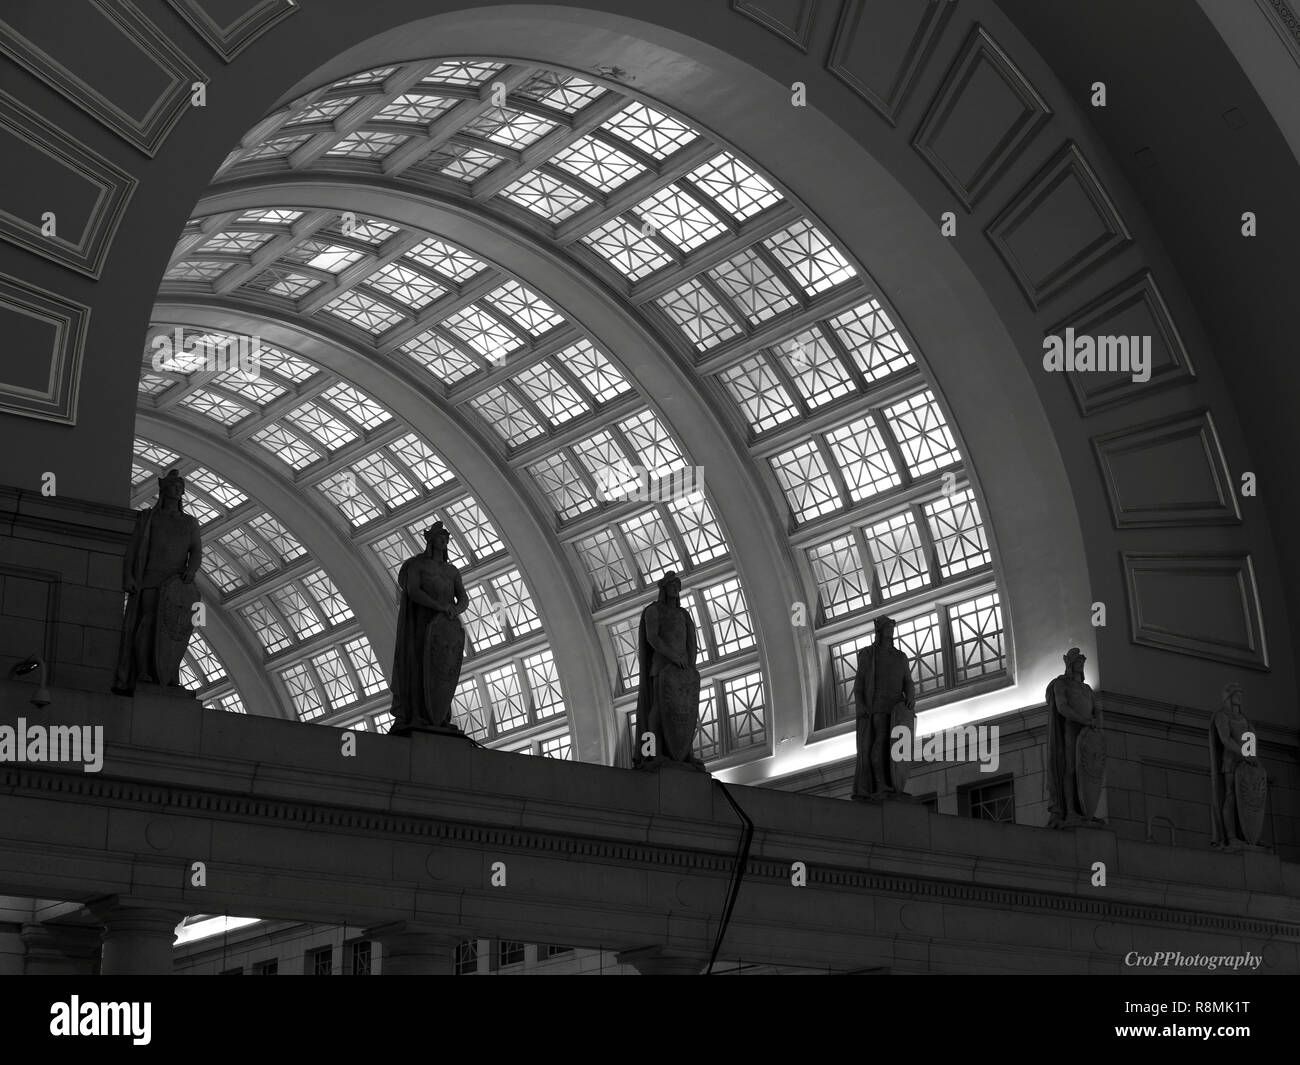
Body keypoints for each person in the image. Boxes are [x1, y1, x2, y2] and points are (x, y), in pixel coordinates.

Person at [112, 469, 202, 695]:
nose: (178, 490)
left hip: (176, 584)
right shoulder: (149, 518)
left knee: (175, 630)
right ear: (163, 489)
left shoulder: (190, 523)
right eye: (173, 486)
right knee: (148, 623)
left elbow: (196, 552)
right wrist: (128, 576)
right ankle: (143, 670)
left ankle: (169, 672)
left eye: (180, 487)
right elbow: (133, 551)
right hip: (151, 578)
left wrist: (191, 570)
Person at [390, 522, 469, 734]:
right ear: (430, 540)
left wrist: (455, 609)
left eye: (446, 537)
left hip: (443, 629)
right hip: (421, 624)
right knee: (418, 667)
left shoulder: (452, 571)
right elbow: (413, 590)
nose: (444, 540)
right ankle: (417, 715)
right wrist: (439, 606)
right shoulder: (417, 565)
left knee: (440, 670)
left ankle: (439, 716)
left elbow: (463, 598)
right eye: (439, 536)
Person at [633, 571, 702, 767]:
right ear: (664, 588)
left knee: (684, 710)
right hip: (662, 667)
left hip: (682, 671)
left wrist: (689, 666)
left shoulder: (683, 614)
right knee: (657, 710)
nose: (675, 589)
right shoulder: (654, 611)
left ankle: (685, 752)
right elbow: (653, 638)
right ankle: (653, 753)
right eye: (671, 585)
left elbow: (691, 642)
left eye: (677, 586)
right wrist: (673, 656)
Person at [852, 616, 916, 799]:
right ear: (879, 631)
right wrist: (861, 705)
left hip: (897, 707)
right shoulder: (869, 655)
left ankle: (894, 782)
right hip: (878, 705)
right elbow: (859, 685)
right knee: (880, 741)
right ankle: (880, 784)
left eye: (892, 627)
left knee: (895, 745)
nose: (891, 630)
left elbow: (907, 681)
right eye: (887, 627)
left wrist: (911, 696)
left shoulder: (900, 657)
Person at [1045, 647, 1101, 827]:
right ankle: (1070, 811)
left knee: (1087, 770)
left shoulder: (1087, 689)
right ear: (1070, 663)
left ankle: (1086, 811)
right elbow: (1063, 708)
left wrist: (1095, 723)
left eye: (1082, 661)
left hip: (1088, 733)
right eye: (1078, 661)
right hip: (1071, 729)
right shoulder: (1062, 685)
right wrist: (1084, 720)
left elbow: (1097, 710)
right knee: (1070, 768)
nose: (1081, 664)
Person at [1209, 682, 1264, 846]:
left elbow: (1249, 738)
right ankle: (1231, 836)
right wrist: (1243, 754)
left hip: (1246, 763)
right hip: (1230, 761)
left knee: (1247, 798)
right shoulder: (1222, 716)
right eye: (1236, 694)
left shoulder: (1244, 718)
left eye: (1240, 694)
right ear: (1229, 697)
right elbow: (1225, 739)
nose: (1239, 697)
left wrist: (1251, 755)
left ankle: (1248, 836)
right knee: (1230, 795)